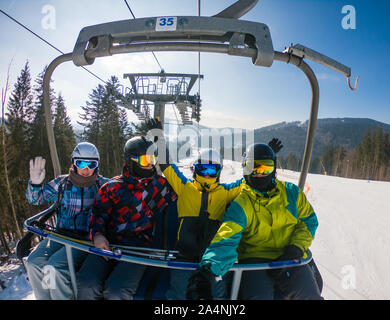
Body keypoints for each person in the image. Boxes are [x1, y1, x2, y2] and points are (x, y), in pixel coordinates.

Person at [145, 119, 283, 300]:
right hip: (184, 255)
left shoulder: (225, 193)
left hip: (214, 261)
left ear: (218, 172)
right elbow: (166, 165)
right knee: (179, 294)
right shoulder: (185, 187)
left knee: (217, 295)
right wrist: (158, 138)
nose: (207, 175)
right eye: (203, 170)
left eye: (212, 171)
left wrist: (264, 155)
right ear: (195, 170)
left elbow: (250, 179)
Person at [186, 143, 322, 300]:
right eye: (253, 168)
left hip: (291, 257)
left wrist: (296, 248)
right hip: (256, 261)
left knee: (311, 296)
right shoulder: (242, 204)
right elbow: (226, 239)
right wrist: (207, 272)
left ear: (275, 168)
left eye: (265, 168)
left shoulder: (292, 193)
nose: (258, 174)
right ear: (244, 170)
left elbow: (309, 221)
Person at [76, 136, 176, 300]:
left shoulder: (159, 186)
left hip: (139, 249)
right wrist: (98, 235)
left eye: (153, 159)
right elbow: (98, 214)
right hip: (108, 245)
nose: (150, 164)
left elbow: (184, 188)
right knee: (87, 283)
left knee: (117, 291)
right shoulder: (112, 187)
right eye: (145, 160)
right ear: (131, 160)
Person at [25, 142, 109, 300]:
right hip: (60, 235)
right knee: (34, 263)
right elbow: (35, 199)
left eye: (91, 164)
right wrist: (35, 184)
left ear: (97, 165)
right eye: (81, 163)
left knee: (54, 268)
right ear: (74, 163)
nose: (86, 169)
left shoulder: (102, 185)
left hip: (84, 239)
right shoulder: (63, 183)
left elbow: (121, 198)